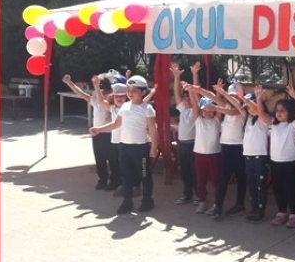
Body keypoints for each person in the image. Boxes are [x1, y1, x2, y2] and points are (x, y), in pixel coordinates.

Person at [90, 75, 158, 214]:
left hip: (140, 148)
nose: (130, 93)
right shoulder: (125, 107)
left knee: (144, 175)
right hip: (124, 147)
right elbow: (116, 124)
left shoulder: (147, 108)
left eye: (134, 90)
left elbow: (152, 129)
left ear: (143, 92)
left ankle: (147, 200)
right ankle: (127, 202)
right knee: (126, 176)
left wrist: (154, 147)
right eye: (129, 90)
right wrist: (100, 129)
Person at [251, 84, 295, 228]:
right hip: (275, 163)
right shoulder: (273, 125)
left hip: (288, 163)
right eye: (277, 110)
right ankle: (282, 212)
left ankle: (294, 214)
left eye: (282, 110)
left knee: (290, 189)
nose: (278, 113)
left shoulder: (292, 127)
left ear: (290, 112)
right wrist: (258, 98)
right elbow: (261, 114)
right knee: (278, 189)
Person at [199, 79, 247, 219]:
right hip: (225, 147)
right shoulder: (226, 106)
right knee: (223, 179)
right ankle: (218, 206)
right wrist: (198, 90)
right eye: (231, 95)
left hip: (238, 148)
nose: (233, 98)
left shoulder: (242, 108)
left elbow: (232, 111)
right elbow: (214, 98)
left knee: (241, 178)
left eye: (235, 96)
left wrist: (220, 99)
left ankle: (239, 204)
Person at [63, 73, 116, 190]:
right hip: (97, 134)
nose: (98, 93)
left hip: (110, 134)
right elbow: (81, 94)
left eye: (101, 90)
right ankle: (103, 179)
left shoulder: (112, 102)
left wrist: (97, 85)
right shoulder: (95, 101)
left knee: (113, 159)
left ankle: (115, 180)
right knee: (99, 158)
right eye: (97, 89)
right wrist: (69, 83)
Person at [184, 82, 222, 215]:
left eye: (210, 111)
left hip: (214, 154)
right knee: (200, 181)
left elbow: (219, 105)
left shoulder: (217, 120)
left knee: (216, 180)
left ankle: (217, 203)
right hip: (199, 154)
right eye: (205, 110)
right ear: (201, 111)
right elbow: (195, 105)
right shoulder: (198, 120)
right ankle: (202, 201)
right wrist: (190, 91)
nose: (208, 113)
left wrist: (218, 92)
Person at [240, 87, 271, 223]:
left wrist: (255, 99)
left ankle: (261, 211)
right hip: (248, 157)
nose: (250, 109)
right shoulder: (247, 119)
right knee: (251, 185)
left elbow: (259, 111)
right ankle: (254, 209)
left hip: (260, 157)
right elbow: (239, 106)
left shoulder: (262, 119)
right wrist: (224, 94)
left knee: (260, 185)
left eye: (252, 106)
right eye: (248, 108)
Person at [171, 62, 200, 205]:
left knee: (195, 171)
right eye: (185, 98)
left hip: (193, 144)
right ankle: (187, 194)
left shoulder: (196, 110)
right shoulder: (183, 108)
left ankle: (199, 195)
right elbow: (176, 93)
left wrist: (195, 74)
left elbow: (196, 92)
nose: (187, 100)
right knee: (185, 171)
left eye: (189, 97)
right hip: (182, 144)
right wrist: (176, 77)